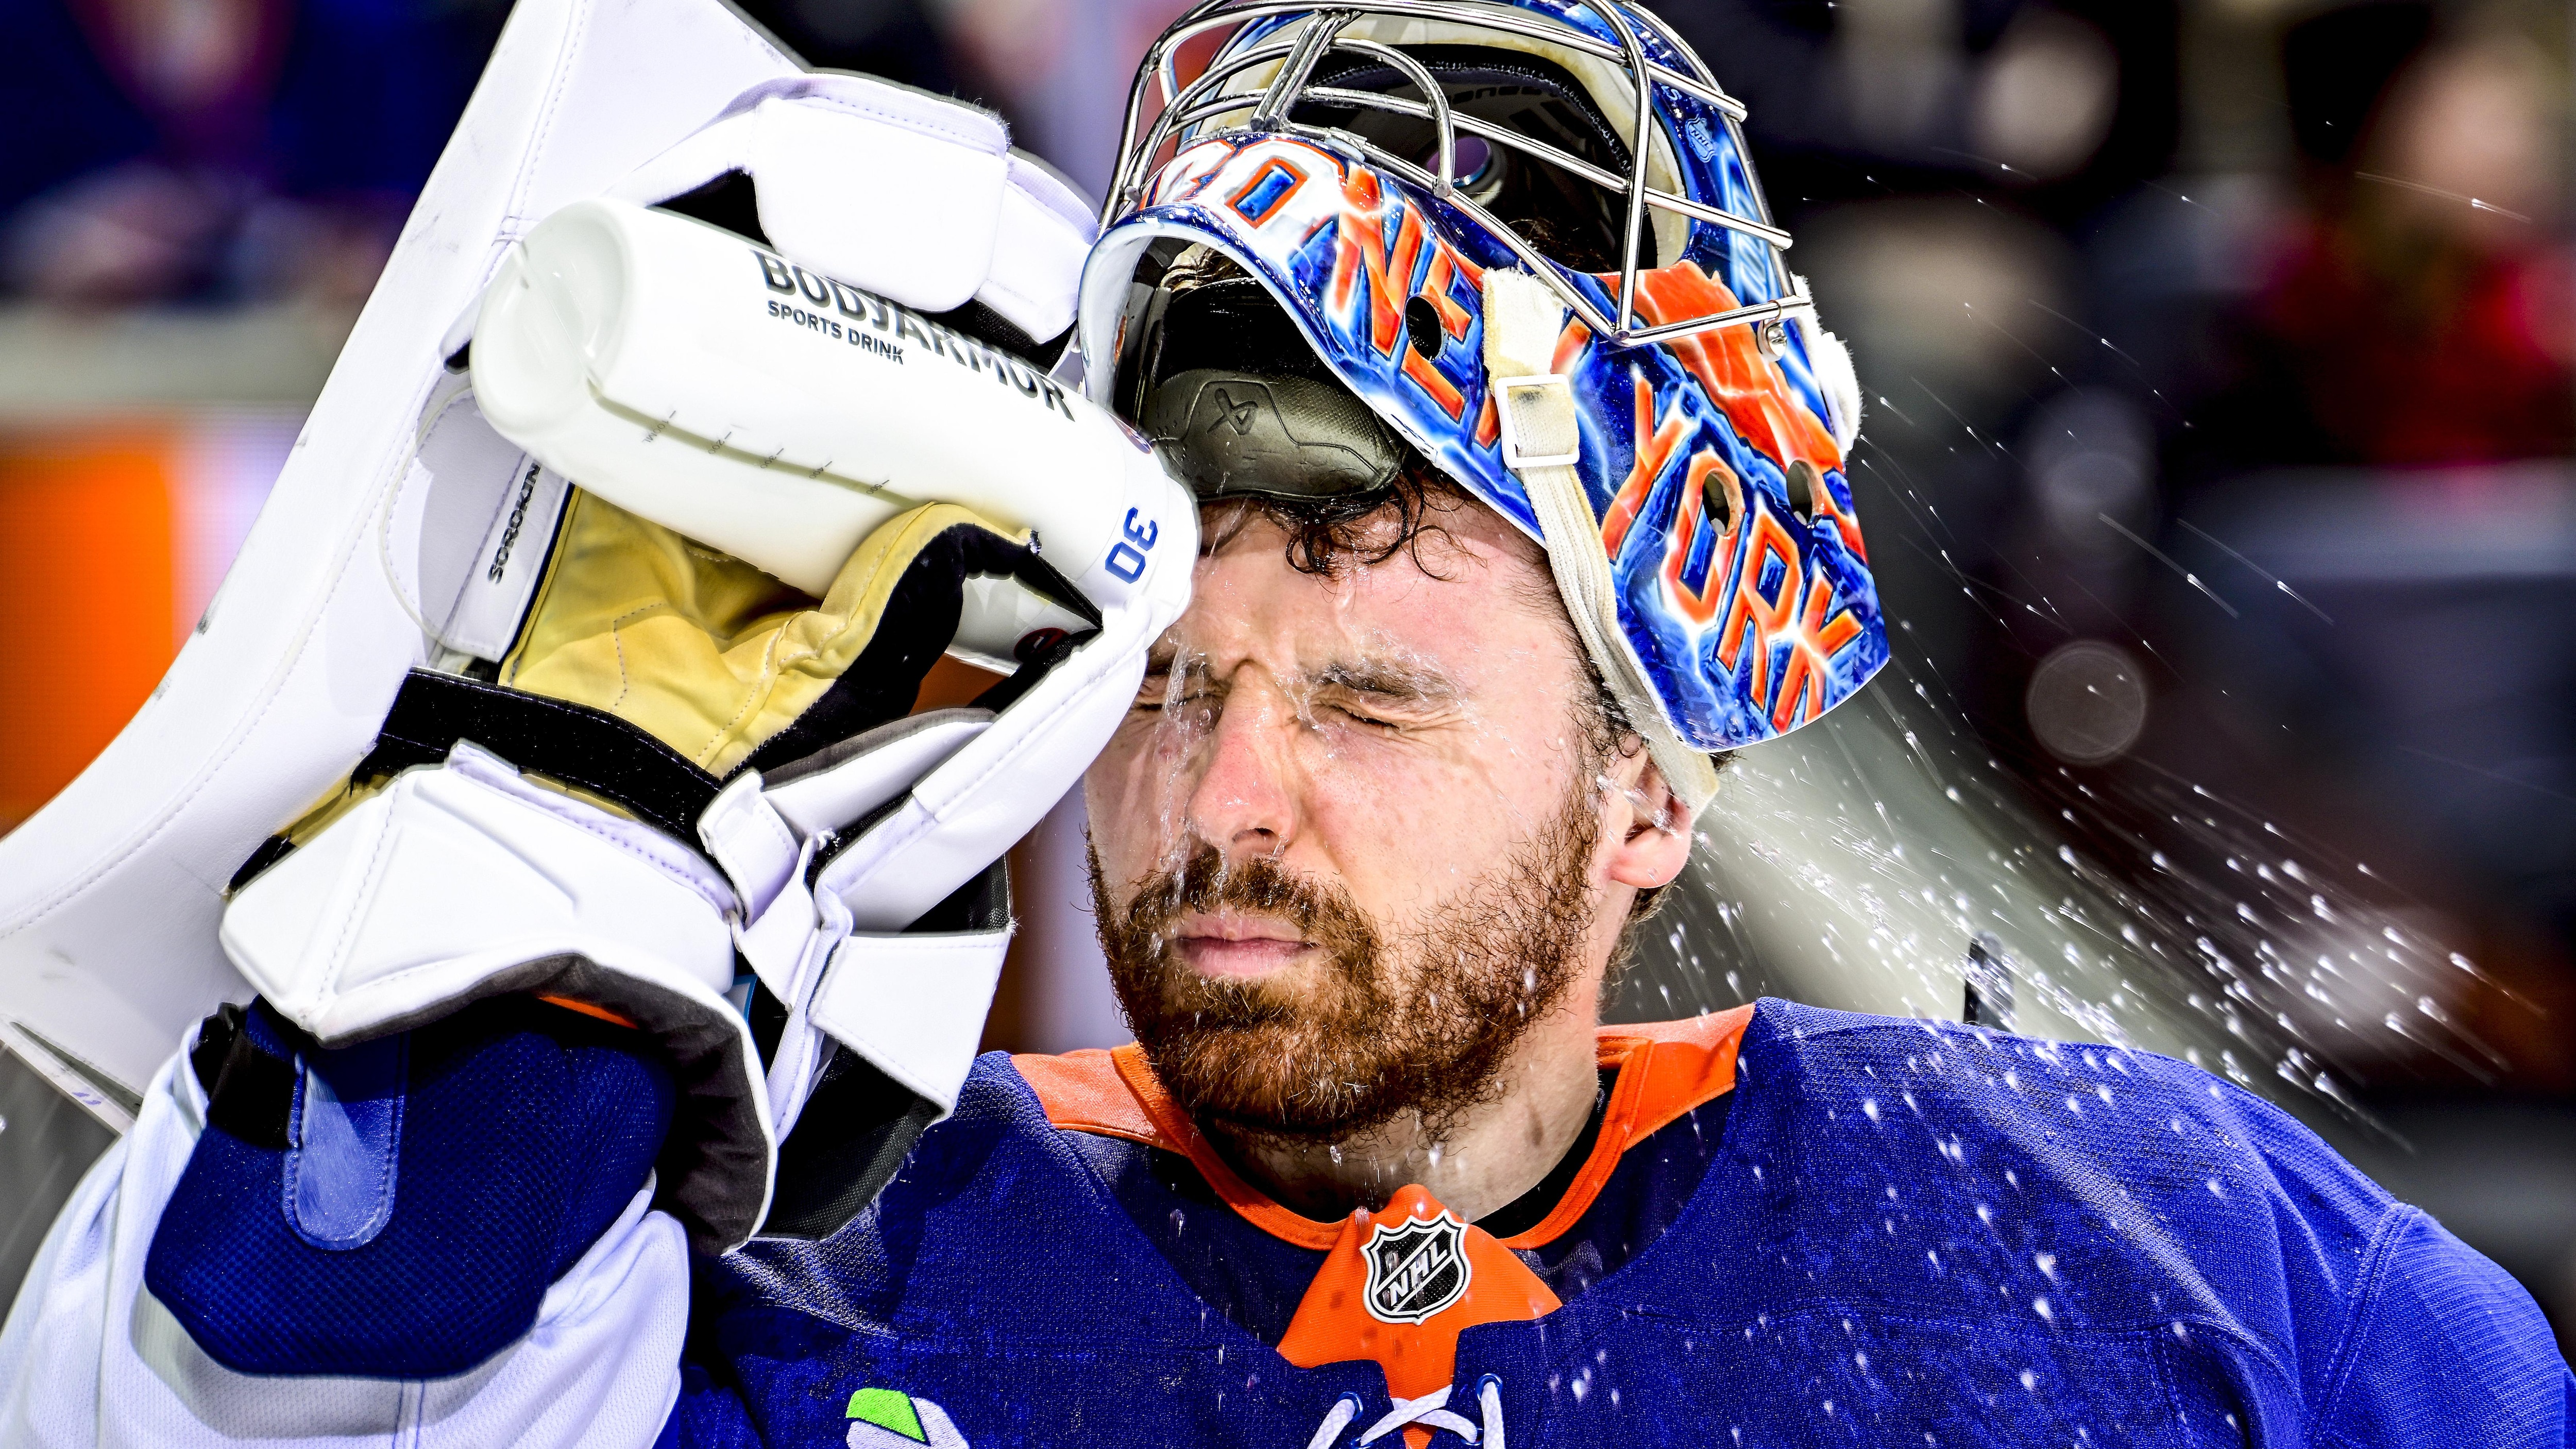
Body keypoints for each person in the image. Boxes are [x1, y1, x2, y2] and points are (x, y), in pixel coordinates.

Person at [3, 2, 2567, 1446]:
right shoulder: (771, 1291)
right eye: (1176, 683)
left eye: (1369, 692)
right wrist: (566, 825)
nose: (1226, 798)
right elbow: (256, 1380)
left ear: (1652, 784)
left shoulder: (2165, 1256)